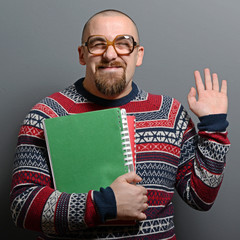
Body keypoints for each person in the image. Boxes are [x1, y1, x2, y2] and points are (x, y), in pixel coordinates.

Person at [10, 9, 230, 240]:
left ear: (139, 54)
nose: (110, 54)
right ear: (82, 54)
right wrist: (104, 204)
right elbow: (22, 207)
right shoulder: (47, 114)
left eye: (123, 43)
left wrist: (213, 128)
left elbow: (201, 198)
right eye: (98, 44)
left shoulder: (170, 113)